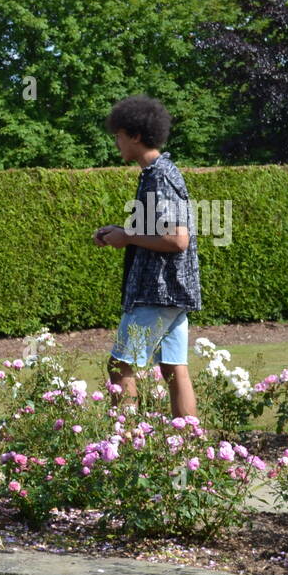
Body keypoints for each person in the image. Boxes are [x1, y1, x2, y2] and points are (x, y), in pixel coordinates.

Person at [93, 95, 202, 419]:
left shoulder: (158, 175)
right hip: (171, 291)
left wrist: (127, 237)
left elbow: (177, 238)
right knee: (173, 367)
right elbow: (159, 230)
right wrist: (122, 232)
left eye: (119, 136)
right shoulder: (158, 172)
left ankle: (123, 446)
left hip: (157, 290)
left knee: (119, 364)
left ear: (136, 135)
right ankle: (188, 443)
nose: (117, 143)